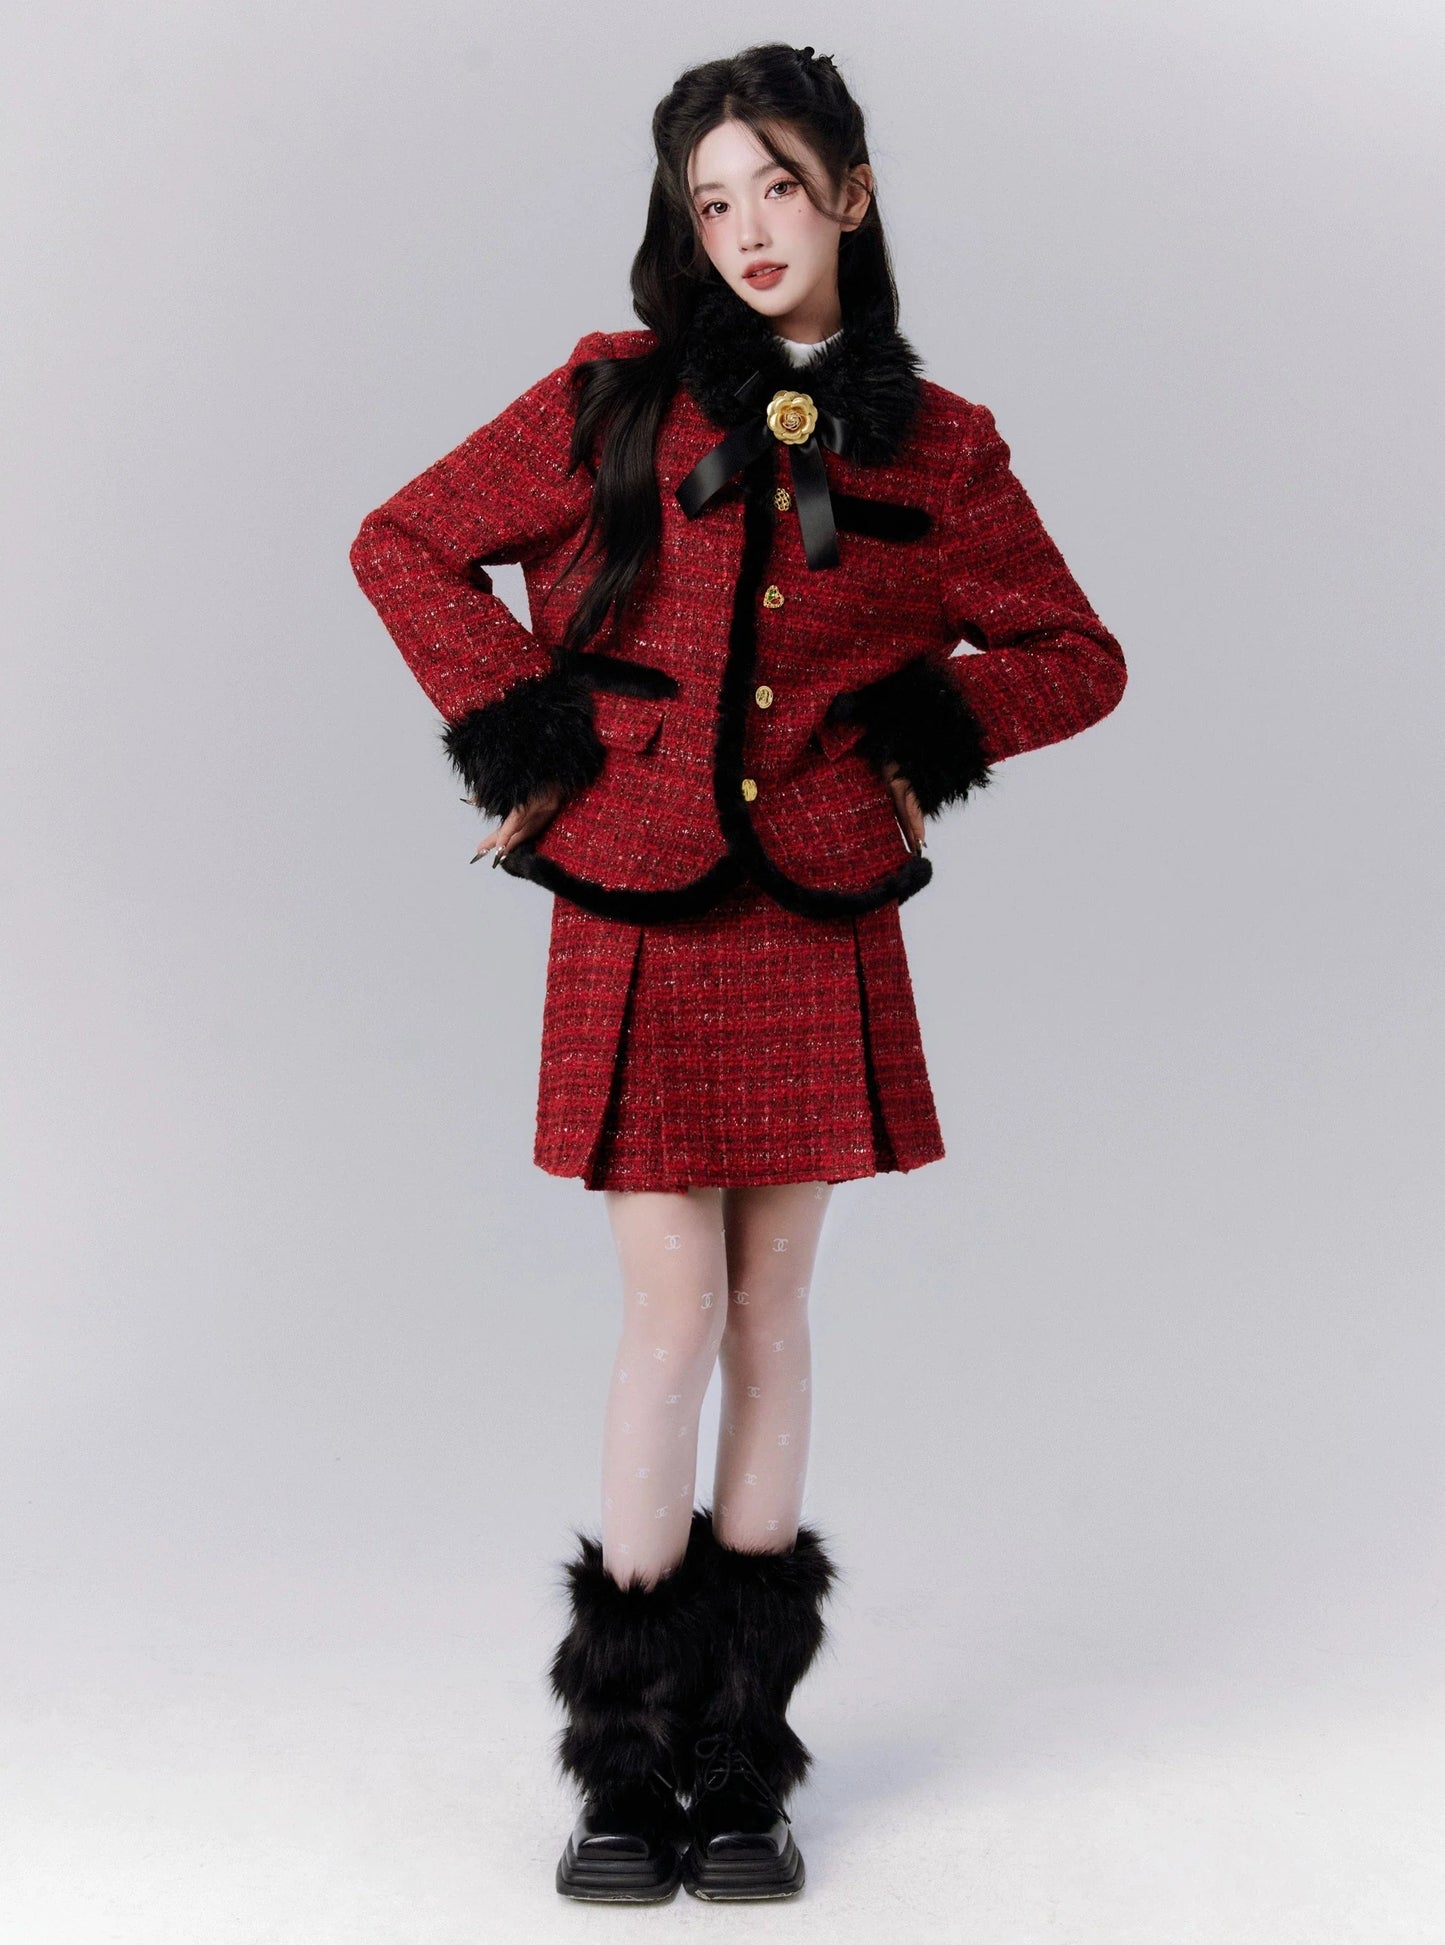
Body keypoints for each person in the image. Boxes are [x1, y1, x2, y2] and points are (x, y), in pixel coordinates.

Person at [349, 40, 1126, 1905]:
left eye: (777, 185)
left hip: (816, 905)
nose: (749, 229)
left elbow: (1073, 651)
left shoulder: (943, 445)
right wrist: (535, 737)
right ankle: (625, 1761)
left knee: (773, 1310)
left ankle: (740, 1762)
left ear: (848, 192)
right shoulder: (606, 397)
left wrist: (919, 735)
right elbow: (405, 545)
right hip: (633, 898)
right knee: (670, 1312)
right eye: (712, 202)